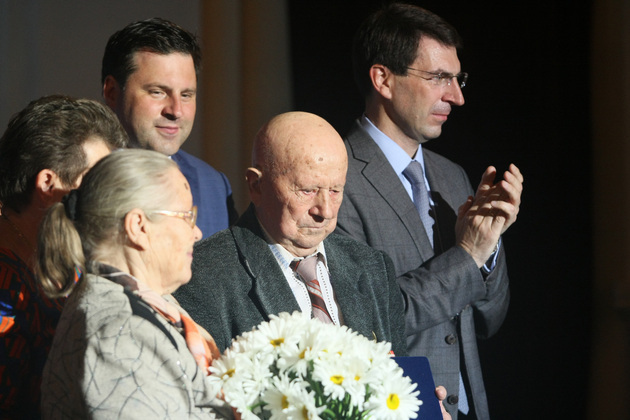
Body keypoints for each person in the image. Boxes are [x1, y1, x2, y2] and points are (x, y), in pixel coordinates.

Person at [335, 4, 523, 419]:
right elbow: (368, 318)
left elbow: (489, 321)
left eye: (458, 79)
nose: (457, 97)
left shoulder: (452, 176)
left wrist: (489, 249)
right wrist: (468, 255)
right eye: (439, 77)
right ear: (383, 79)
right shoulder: (335, 177)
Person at [174, 111, 407, 356]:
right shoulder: (204, 275)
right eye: (307, 190)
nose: (325, 211)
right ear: (256, 186)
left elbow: (400, 372)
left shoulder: (373, 268)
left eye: (335, 191)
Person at [36, 149, 232, 419]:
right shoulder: (118, 336)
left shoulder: (150, 304)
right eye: (187, 216)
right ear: (139, 226)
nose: (197, 233)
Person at [0, 95, 128, 419]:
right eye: (95, 182)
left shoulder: (70, 258)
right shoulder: (5, 284)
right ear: (48, 183)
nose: (107, 200)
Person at [102, 17, 237, 239]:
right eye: (158, 92)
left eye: (186, 95)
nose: (176, 111)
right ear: (112, 93)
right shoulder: (76, 177)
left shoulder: (215, 187)